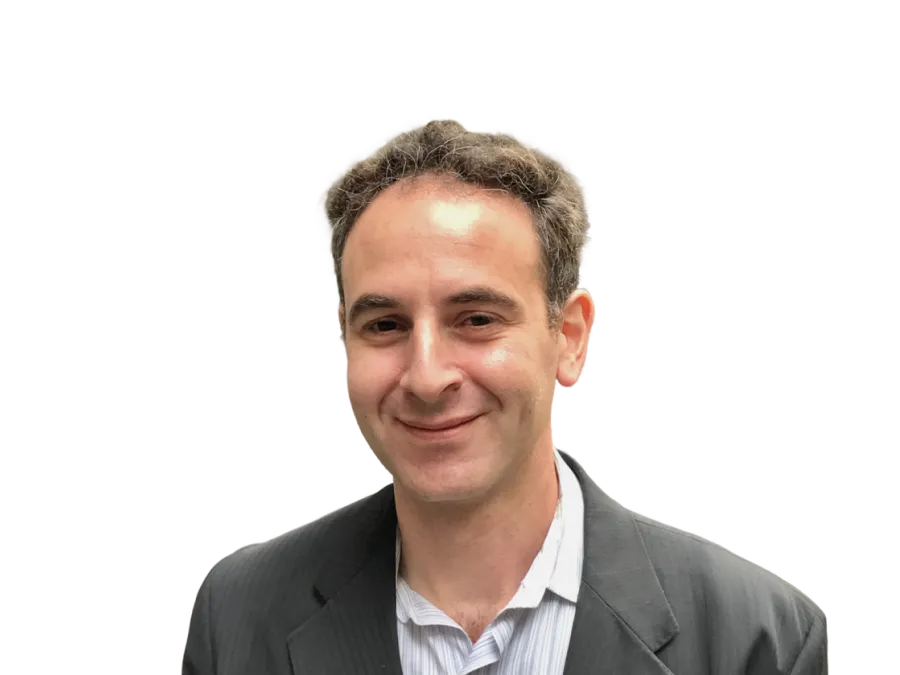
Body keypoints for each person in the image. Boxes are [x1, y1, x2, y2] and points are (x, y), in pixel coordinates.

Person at [182, 117, 830, 674]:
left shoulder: (761, 639)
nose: (427, 376)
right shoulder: (238, 616)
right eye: (385, 324)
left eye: (476, 319)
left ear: (570, 338)